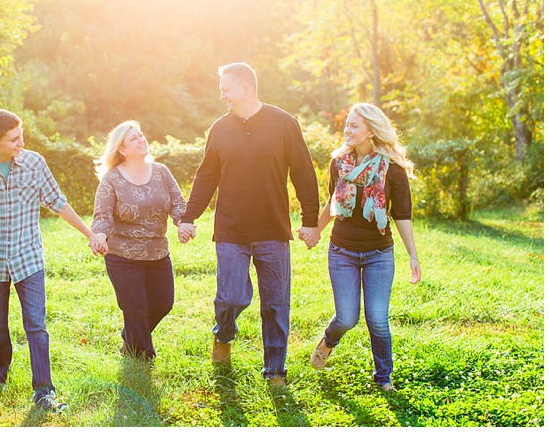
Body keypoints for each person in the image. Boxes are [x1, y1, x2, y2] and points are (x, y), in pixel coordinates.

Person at [178, 62, 321, 387]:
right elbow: (206, 176)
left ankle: (274, 370)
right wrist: (189, 216)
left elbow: (303, 172)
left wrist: (310, 221)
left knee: (275, 304)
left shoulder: (284, 123)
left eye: (226, 89)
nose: (222, 95)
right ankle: (224, 334)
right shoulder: (219, 129)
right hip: (231, 230)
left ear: (245, 88)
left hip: (273, 230)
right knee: (229, 297)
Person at [0, 109, 106, 412]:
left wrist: (90, 233)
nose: (21, 143)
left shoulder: (34, 163)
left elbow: (57, 202)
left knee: (36, 324)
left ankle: (43, 391)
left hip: (28, 257)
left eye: (21, 136)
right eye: (13, 140)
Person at [309, 102, 422, 393]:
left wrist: (412, 255)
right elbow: (332, 203)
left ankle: (383, 377)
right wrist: (315, 231)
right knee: (347, 317)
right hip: (342, 251)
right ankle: (329, 340)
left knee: (377, 319)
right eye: (347, 124)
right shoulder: (339, 163)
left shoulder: (393, 169)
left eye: (354, 125)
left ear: (371, 130)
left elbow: (402, 215)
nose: (347, 130)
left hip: (379, 254)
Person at [90, 120, 187, 360]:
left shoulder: (161, 172)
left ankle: (130, 337)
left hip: (158, 253)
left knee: (164, 303)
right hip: (122, 256)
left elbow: (178, 202)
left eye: (141, 135)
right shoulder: (112, 180)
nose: (141, 140)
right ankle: (143, 359)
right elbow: (102, 216)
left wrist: (182, 222)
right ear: (121, 149)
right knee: (135, 309)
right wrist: (100, 236)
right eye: (133, 138)